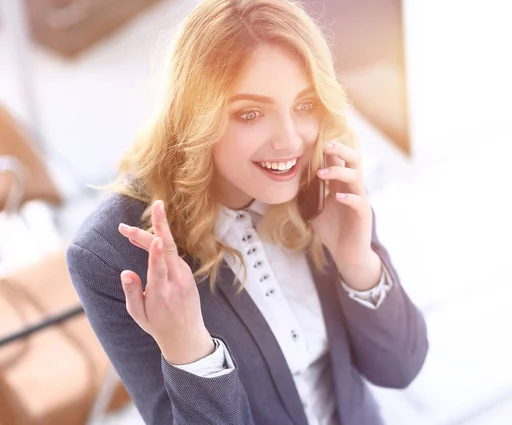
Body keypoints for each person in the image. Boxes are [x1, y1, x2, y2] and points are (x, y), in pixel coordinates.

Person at [65, 0, 428, 424]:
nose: (290, 141)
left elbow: (401, 367)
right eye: (250, 114)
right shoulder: (112, 254)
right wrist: (188, 350)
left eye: (305, 105)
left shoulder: (323, 179)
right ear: (195, 116)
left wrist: (357, 261)